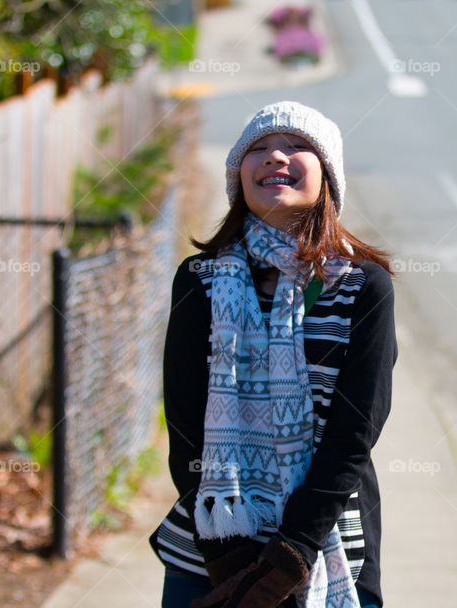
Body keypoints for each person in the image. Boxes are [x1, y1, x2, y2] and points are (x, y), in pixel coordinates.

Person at [148, 101, 397, 608]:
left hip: (326, 546)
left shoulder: (362, 288)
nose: (274, 156)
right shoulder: (200, 280)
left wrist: (289, 558)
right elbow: (185, 424)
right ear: (238, 176)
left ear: (327, 176)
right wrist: (231, 560)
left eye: (297, 146)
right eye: (257, 148)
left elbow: (354, 436)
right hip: (211, 549)